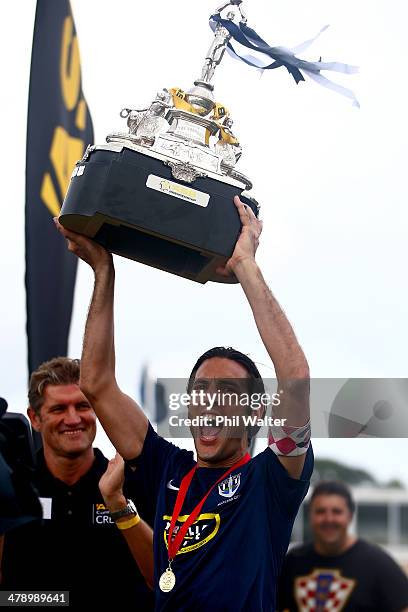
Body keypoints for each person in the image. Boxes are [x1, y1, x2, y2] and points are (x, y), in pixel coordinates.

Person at [55, 195, 314, 611]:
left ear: (255, 411)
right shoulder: (166, 469)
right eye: (200, 391)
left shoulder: (272, 480)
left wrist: (245, 266)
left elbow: (295, 377)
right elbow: (97, 384)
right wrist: (103, 272)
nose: (210, 404)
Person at [0, 357, 154, 609]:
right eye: (58, 409)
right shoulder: (13, 486)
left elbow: (164, 581)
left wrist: (118, 505)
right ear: (35, 418)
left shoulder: (130, 483)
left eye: (82, 406)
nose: (73, 419)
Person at [278, 481, 408, 612]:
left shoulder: (378, 564)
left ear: (350, 516)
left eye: (337, 512)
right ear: (310, 515)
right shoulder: (292, 561)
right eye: (320, 511)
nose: (328, 519)